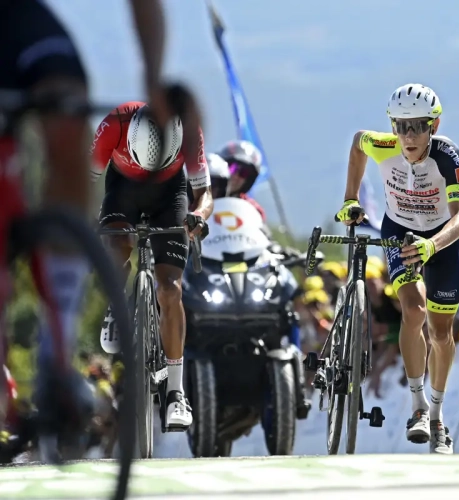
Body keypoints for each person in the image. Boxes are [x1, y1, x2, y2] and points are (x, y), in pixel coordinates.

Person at [0, 0, 185, 459]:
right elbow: (100, 172)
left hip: (14, 20)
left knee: (66, 112)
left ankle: (57, 345)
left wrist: (153, 77)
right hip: (124, 188)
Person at [336, 83, 459, 454]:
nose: (408, 136)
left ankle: (439, 416)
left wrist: (432, 245)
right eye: (401, 126)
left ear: (434, 126)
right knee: (413, 310)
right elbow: (359, 141)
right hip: (400, 232)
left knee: (441, 334)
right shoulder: (384, 145)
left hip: (440, 240)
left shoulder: (448, 156)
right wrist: (350, 198)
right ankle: (419, 407)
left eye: (417, 126)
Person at [92, 101, 213, 430]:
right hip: (122, 191)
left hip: (170, 195)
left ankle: (176, 391)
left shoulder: (188, 129)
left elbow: (204, 193)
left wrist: (198, 217)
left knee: (170, 290)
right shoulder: (114, 123)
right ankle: (116, 305)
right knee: (117, 248)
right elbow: (83, 178)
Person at [213, 140, 267, 221]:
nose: (235, 176)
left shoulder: (253, 209)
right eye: (232, 168)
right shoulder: (200, 196)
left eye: (244, 173)